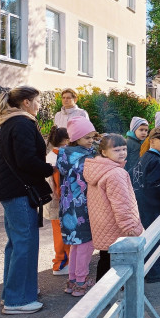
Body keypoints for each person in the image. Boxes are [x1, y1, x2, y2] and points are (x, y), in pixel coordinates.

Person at [0, 86, 54, 315]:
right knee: (25, 242)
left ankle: (12, 293)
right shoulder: (22, 123)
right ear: (26, 103)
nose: (39, 105)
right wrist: (50, 168)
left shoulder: (10, 122)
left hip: (10, 190)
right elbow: (26, 160)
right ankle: (17, 300)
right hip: (18, 191)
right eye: (37, 101)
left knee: (16, 243)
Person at [85, 134, 144, 281]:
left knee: (105, 260)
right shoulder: (116, 173)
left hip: (101, 224)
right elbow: (122, 204)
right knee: (117, 265)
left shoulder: (97, 169)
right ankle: (113, 298)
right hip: (116, 226)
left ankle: (100, 298)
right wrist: (131, 227)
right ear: (104, 152)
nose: (122, 153)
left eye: (124, 149)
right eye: (117, 150)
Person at [57, 116, 97, 297]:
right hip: (83, 206)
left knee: (75, 244)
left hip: (67, 206)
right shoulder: (85, 158)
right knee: (86, 244)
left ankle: (72, 280)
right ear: (76, 138)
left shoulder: (64, 154)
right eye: (87, 137)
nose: (91, 141)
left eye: (93, 137)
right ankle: (81, 281)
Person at [131, 127, 160, 282]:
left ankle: (150, 267)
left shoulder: (147, 157)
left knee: (150, 235)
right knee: (157, 236)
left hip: (143, 203)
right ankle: (154, 270)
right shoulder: (155, 160)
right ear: (152, 141)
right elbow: (155, 185)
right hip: (152, 205)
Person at [45, 126, 70, 276]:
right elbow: (59, 185)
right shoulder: (61, 156)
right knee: (64, 233)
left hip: (52, 203)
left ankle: (60, 262)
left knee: (58, 232)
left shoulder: (50, 155)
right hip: (61, 202)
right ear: (67, 140)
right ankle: (61, 263)